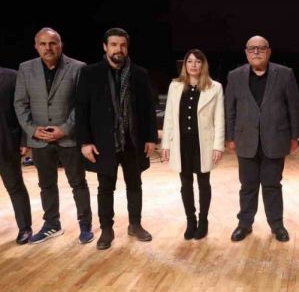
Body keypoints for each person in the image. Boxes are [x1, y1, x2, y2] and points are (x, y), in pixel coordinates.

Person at [76, 28, 158, 250]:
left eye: (122, 45)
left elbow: (148, 109)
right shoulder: (90, 73)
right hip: (104, 142)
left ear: (127, 48)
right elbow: (81, 110)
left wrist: (151, 138)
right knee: (105, 188)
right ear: (105, 47)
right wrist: (85, 142)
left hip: (133, 141)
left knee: (135, 184)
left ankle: (135, 224)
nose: (118, 49)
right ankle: (107, 229)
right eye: (113, 44)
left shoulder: (139, 74)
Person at [14, 27, 93, 244]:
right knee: (46, 185)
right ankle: (52, 224)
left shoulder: (78, 68)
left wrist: (65, 129)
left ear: (60, 45)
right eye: (43, 44)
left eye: (52, 43)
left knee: (78, 183)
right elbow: (20, 103)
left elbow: (81, 104)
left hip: (68, 137)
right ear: (36, 46)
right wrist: (32, 129)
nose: (48, 48)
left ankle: (85, 225)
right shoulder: (25, 68)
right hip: (39, 139)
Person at [225, 36, 299, 243]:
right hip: (245, 140)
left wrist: (294, 135)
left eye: (261, 48)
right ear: (246, 52)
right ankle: (244, 224)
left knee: (272, 185)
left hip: (275, 138)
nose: (256, 52)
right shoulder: (235, 76)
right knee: (247, 186)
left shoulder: (284, 74)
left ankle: (277, 225)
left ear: (269, 52)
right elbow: (230, 109)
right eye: (252, 49)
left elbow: (294, 107)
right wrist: (230, 137)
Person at [161, 49, 224, 240]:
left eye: (197, 61)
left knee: (204, 183)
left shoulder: (215, 87)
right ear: (184, 65)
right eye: (189, 61)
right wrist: (166, 144)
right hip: (181, 143)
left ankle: (203, 221)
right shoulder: (175, 86)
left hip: (203, 143)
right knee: (185, 184)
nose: (193, 65)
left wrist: (218, 146)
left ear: (203, 64)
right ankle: (191, 221)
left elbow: (219, 118)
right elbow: (169, 117)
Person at [0, 67, 32, 244]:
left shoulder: (11, 77)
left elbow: (24, 109)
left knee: (15, 187)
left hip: (6, 143)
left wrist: (24, 139)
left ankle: (25, 228)